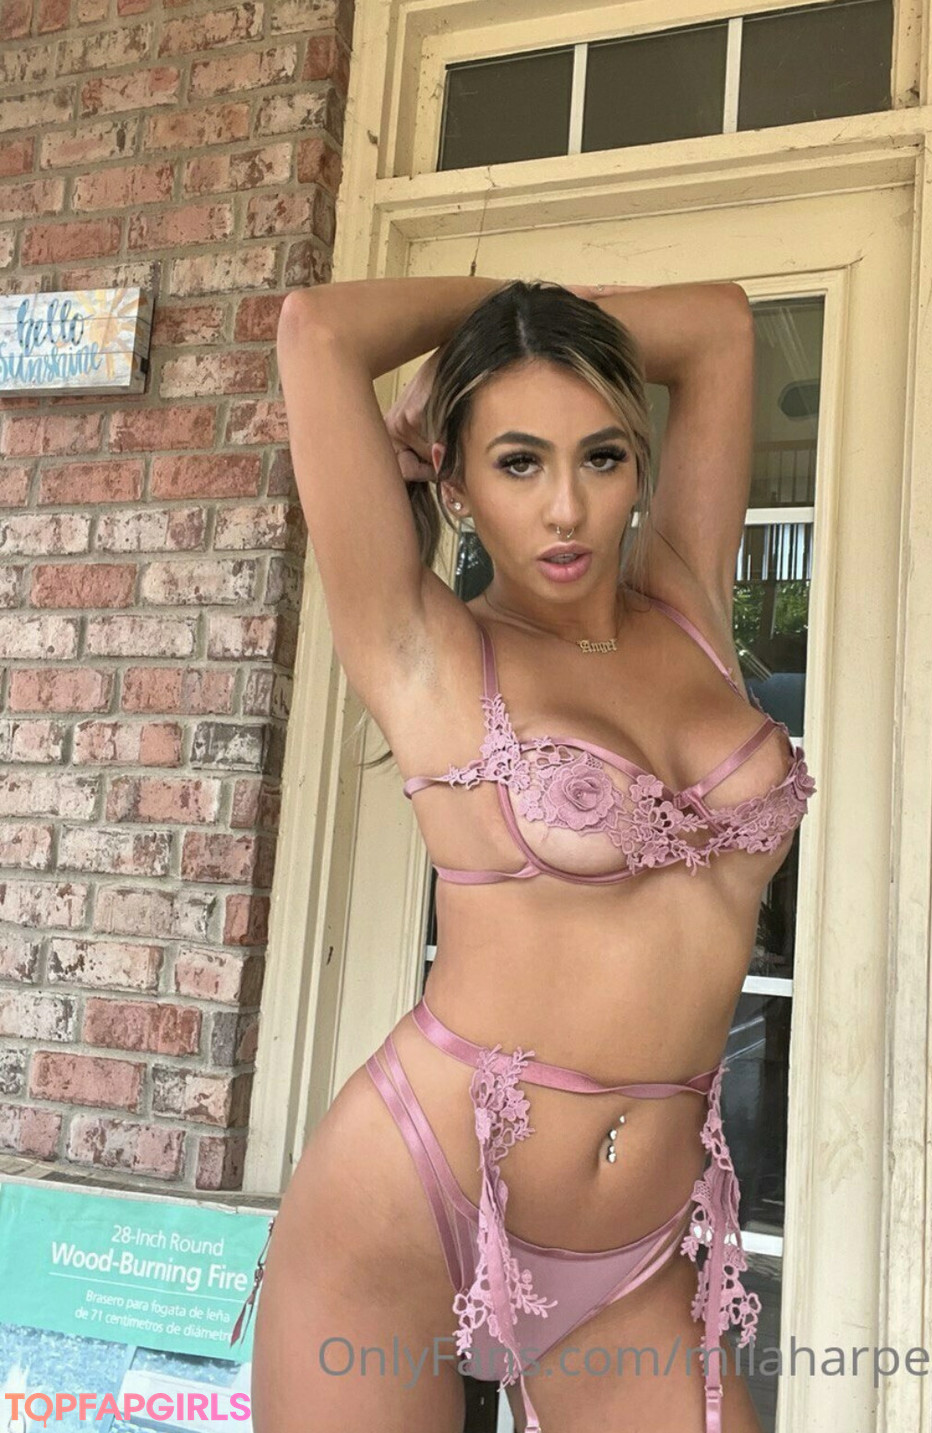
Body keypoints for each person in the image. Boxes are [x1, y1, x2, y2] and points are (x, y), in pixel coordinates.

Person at [242, 275, 816, 1433]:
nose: (566, 507)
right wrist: (486, 337)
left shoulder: (691, 609)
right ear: (452, 481)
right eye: (517, 462)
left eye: (602, 456)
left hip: (635, 1251)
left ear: (639, 467)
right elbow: (318, 327)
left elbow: (717, 324)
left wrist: (524, 331)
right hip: (410, 1202)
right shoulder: (427, 648)